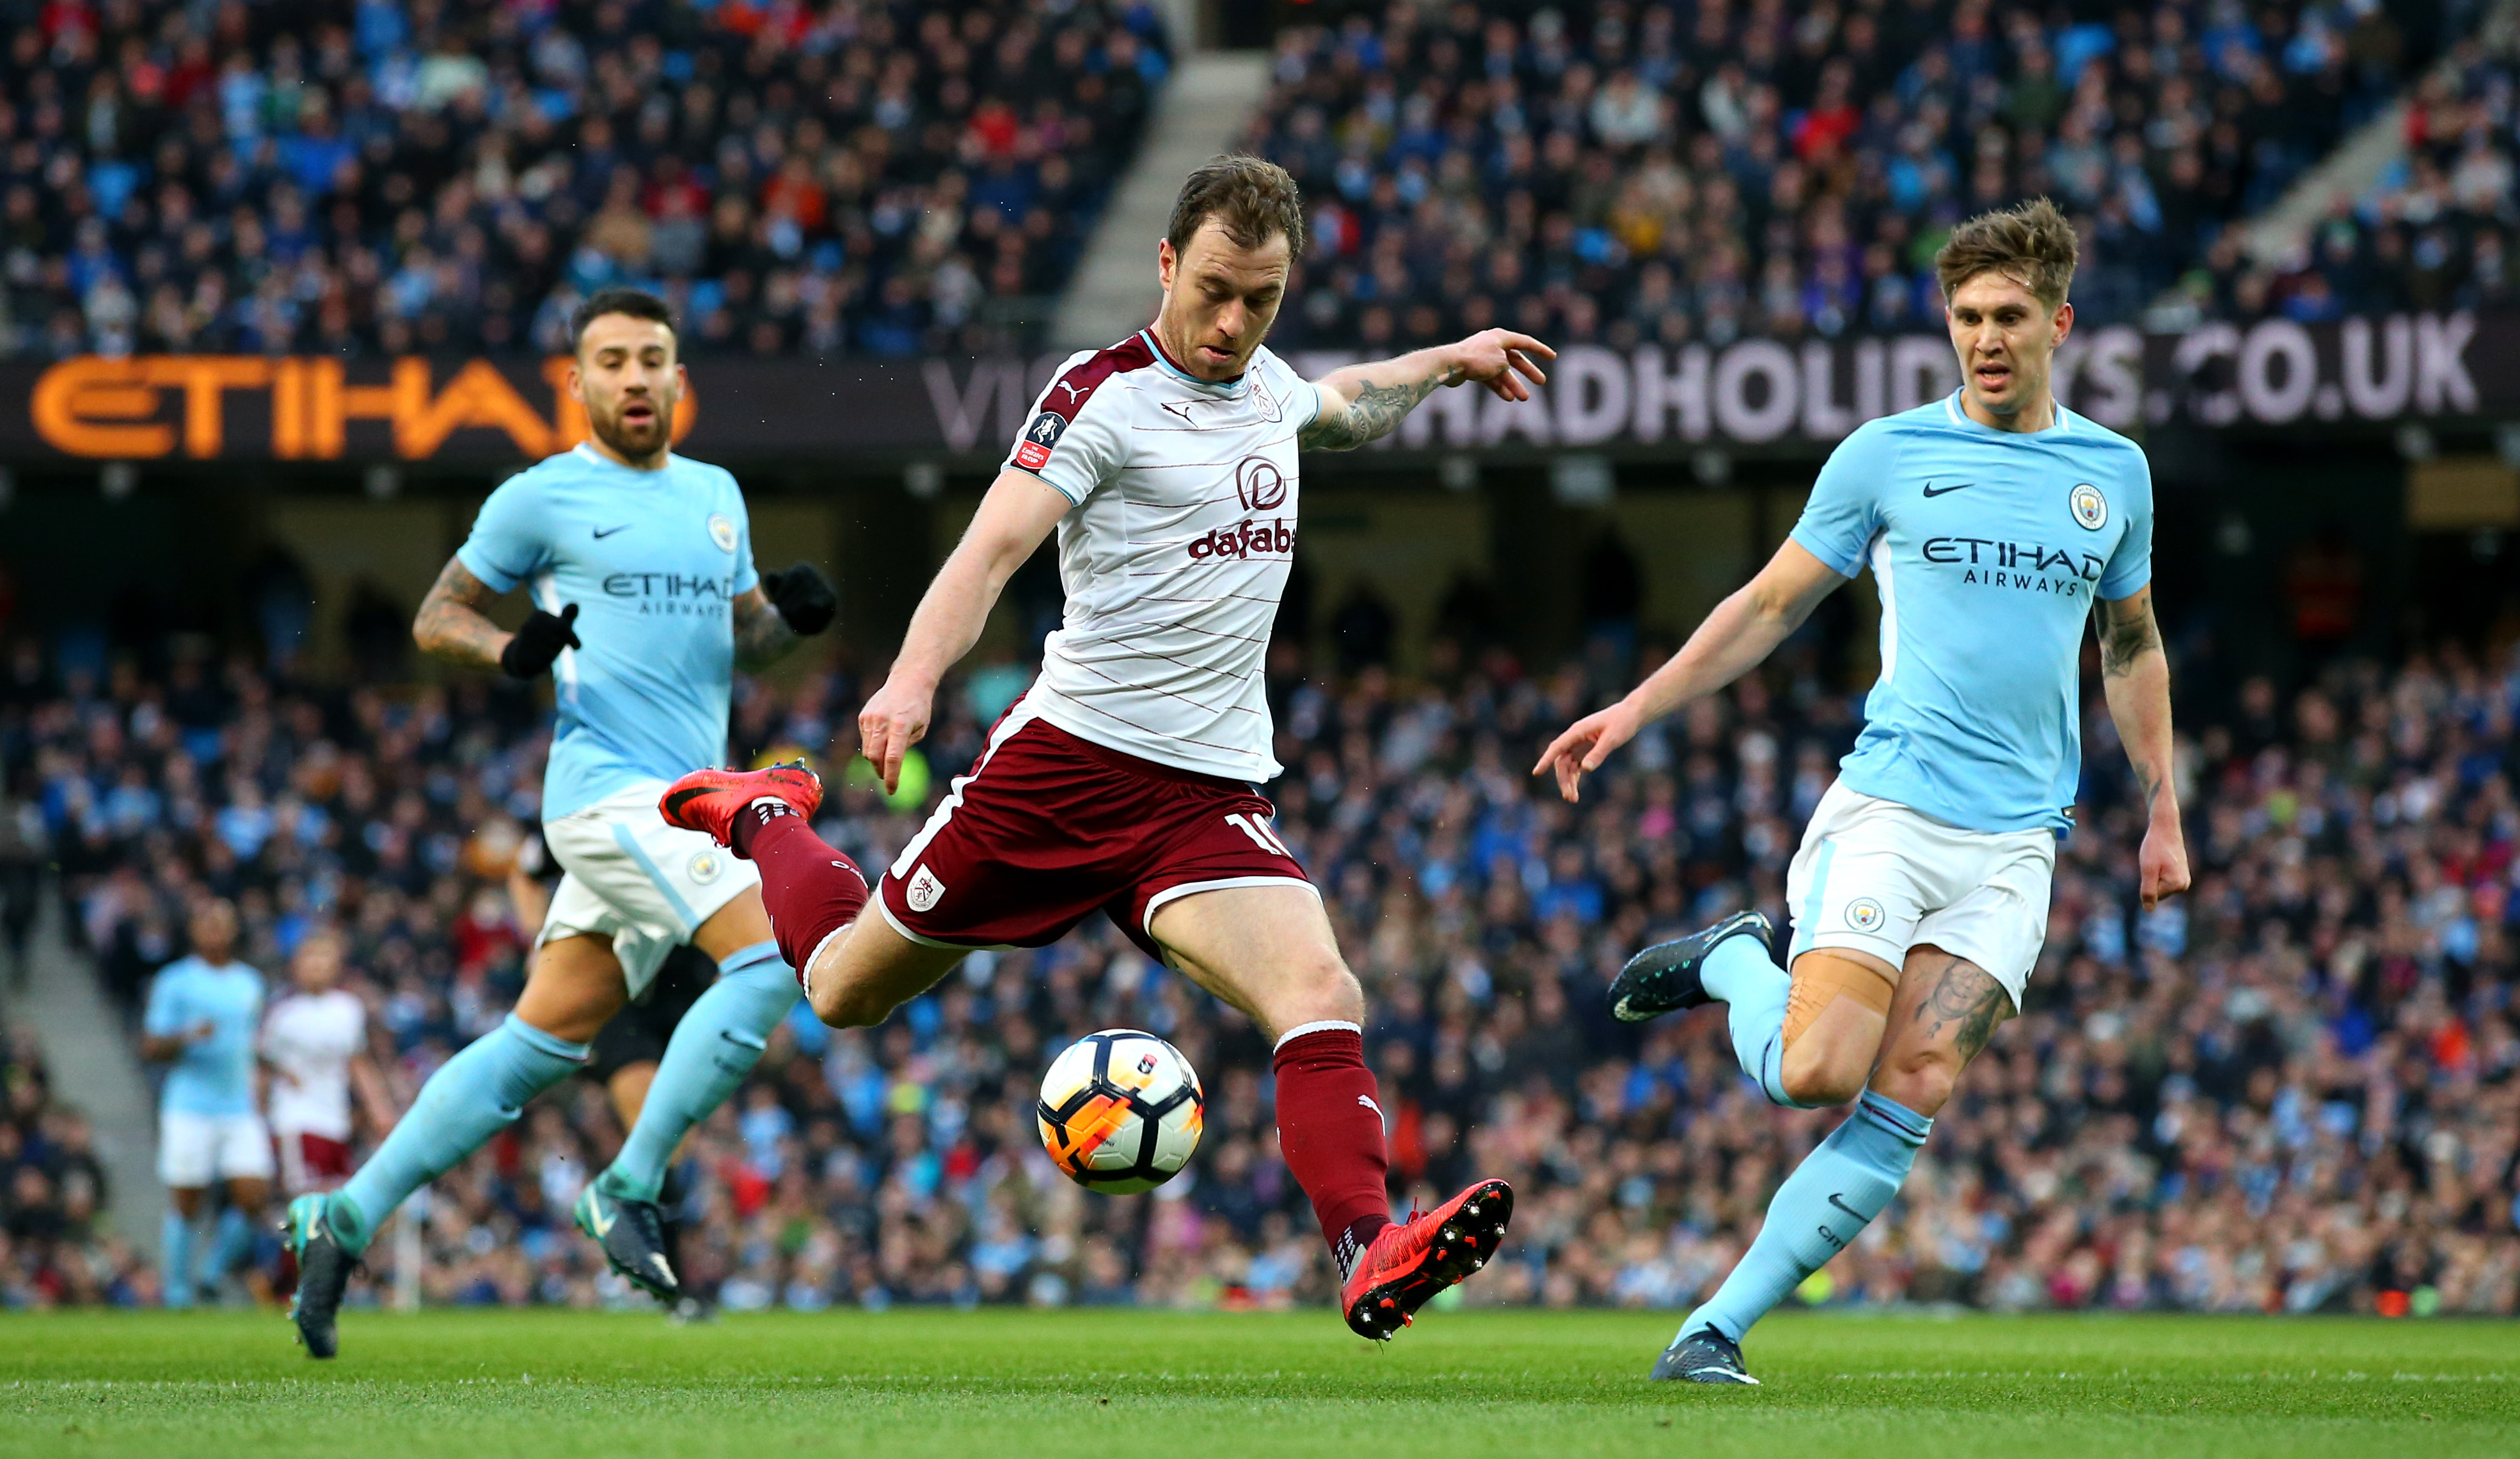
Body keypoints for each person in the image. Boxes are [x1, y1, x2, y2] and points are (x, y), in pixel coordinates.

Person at [658, 154, 1553, 1341]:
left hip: (1206, 795)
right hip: (1063, 772)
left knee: (1319, 987)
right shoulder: (1099, 396)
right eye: (1217, 291)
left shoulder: (1267, 384)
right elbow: (987, 552)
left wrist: (1448, 359)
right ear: (1168, 263)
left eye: (1263, 300)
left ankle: (1365, 1248)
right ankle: (765, 815)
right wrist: (914, 676)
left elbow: (1343, 405)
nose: (1234, 323)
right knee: (839, 992)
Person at [1532, 197, 2191, 1383]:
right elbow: (1769, 606)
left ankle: (1709, 1332)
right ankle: (1734, 957)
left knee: (1915, 1086)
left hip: (2016, 842)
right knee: (1813, 1075)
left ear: (2058, 322)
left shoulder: (2113, 473)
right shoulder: (1885, 455)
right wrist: (1633, 709)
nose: (1985, 338)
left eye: (2008, 316)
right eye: (1964, 316)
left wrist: (2160, 805)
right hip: (1890, 810)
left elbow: (2129, 644)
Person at [281, 287, 839, 1358]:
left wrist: (788, 616)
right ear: (577, 383)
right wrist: (508, 651)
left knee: (536, 1047)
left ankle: (341, 1218)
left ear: (679, 380)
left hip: (686, 799)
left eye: (653, 360)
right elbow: (437, 615)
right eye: (613, 361)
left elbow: (746, 644)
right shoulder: (539, 498)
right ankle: (628, 1187)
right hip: (608, 795)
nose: (635, 378)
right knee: (774, 955)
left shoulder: (717, 495)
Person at [504, 831, 717, 1317]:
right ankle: (667, 1278)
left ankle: (662, 1267)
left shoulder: (707, 804)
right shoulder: (601, 810)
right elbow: (525, 867)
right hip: (616, 988)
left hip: (687, 987)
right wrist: (538, 937)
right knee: (652, 1118)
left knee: (675, 1143)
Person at [141, 898, 271, 1308]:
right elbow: (151, 1046)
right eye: (207, 922)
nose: (215, 929)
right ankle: (178, 1292)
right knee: (187, 1200)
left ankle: (211, 1273)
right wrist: (186, 1037)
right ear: (194, 930)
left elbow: (249, 1043)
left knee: (254, 1194)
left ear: (234, 930)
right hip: (189, 1104)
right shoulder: (175, 981)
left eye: (223, 922)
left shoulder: (250, 982)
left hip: (238, 1105)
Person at [260, 927, 390, 1199]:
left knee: (335, 1207)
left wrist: (381, 1111)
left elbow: (358, 1063)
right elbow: (263, 1067)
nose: (317, 964)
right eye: (310, 957)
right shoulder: (283, 1014)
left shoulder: (349, 1009)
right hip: (297, 1122)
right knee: (306, 1205)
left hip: (336, 1122)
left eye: (324, 956)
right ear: (296, 964)